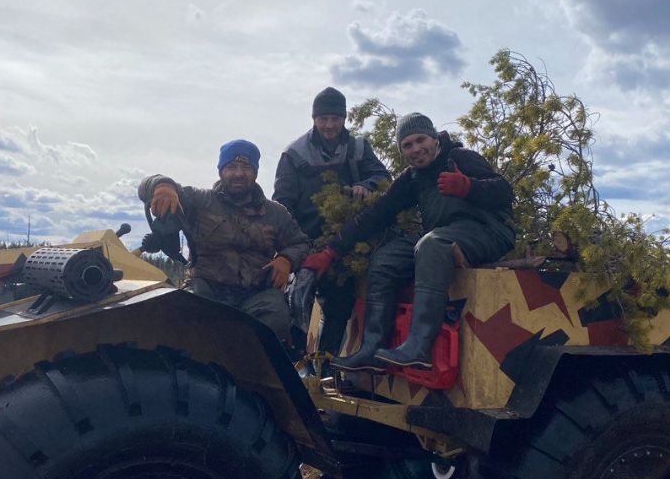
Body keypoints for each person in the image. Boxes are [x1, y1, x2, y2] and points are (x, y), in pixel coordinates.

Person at [301, 113, 515, 372]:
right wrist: (331, 251)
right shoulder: (412, 177)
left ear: (434, 138)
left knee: (431, 245)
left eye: (420, 140)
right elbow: (376, 214)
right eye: (407, 145)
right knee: (385, 259)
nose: (415, 149)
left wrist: (468, 186)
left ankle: (419, 347)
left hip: (488, 232)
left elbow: (504, 191)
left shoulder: (460, 158)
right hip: (445, 234)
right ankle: (371, 350)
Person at [138, 139, 309, 341]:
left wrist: (286, 259)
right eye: (231, 167)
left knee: (277, 316)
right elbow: (145, 187)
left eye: (246, 167)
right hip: (207, 289)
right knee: (185, 310)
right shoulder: (199, 200)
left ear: (255, 172)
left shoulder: (276, 213)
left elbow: (300, 243)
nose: (238, 173)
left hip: (257, 294)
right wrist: (163, 186)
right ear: (221, 170)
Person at [273, 87, 390, 355]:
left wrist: (366, 185)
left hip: (345, 243)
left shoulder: (359, 148)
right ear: (313, 118)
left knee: (340, 304)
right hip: (304, 242)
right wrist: (292, 248)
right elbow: (282, 203)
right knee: (295, 303)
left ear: (344, 118)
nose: (329, 125)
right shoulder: (294, 154)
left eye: (335, 118)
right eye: (323, 118)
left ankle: (327, 363)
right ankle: (293, 363)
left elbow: (383, 178)